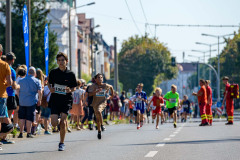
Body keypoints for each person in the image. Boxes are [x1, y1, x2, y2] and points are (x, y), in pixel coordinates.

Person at [48, 52, 77, 151]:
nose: (61, 62)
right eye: (59, 60)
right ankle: (59, 121)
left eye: (62, 60)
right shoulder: (53, 72)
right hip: (55, 99)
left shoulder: (71, 74)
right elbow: (49, 83)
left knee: (64, 122)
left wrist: (70, 90)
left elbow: (74, 87)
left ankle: (61, 143)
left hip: (66, 100)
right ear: (57, 62)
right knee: (54, 123)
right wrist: (51, 89)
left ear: (66, 61)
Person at [18, 67, 42, 138]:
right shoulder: (37, 81)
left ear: (28, 73)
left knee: (22, 117)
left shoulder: (21, 80)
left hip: (22, 101)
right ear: (34, 73)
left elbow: (17, 90)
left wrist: (20, 97)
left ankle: (21, 133)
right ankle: (28, 133)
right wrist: (39, 100)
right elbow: (40, 91)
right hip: (31, 102)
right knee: (29, 118)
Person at [88, 73, 114, 139]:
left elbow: (111, 87)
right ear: (95, 79)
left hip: (102, 102)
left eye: (101, 77)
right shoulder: (93, 86)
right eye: (99, 77)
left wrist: (112, 95)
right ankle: (99, 131)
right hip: (95, 103)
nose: (100, 79)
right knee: (97, 118)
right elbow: (89, 94)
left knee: (99, 111)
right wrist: (95, 92)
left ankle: (102, 125)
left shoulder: (105, 85)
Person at [0, 44, 14, 150]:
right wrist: (4, 83)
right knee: (2, 119)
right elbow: (9, 83)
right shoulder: (5, 65)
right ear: (1, 53)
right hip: (1, 95)